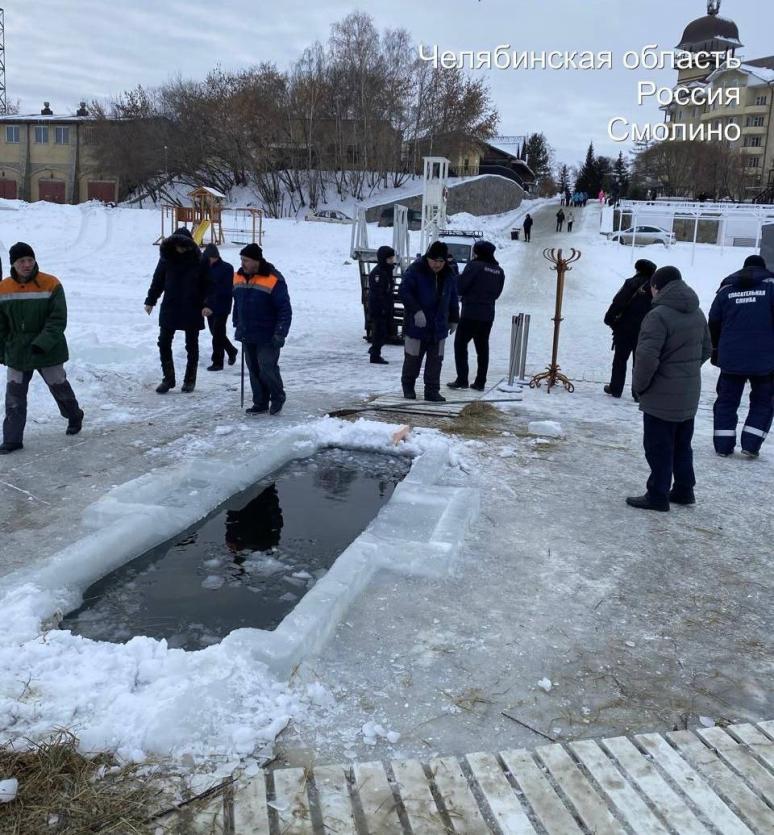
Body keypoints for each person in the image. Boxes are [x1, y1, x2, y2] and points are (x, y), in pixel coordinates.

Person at [627, 267, 711, 511]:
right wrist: (685, 372)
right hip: (688, 394)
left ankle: (657, 494)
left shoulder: (658, 315)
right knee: (682, 444)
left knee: (658, 447)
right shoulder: (697, 312)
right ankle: (685, 490)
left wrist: (640, 386)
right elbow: (707, 349)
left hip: (661, 396)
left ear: (657, 287)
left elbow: (646, 359)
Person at [0, 242, 83, 454]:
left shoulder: (51, 283)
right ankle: (12, 439)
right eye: (21, 261)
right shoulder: (4, 288)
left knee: (59, 387)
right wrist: (3, 349)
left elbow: (57, 320)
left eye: (30, 260)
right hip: (18, 352)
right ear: (14, 264)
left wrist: (41, 343)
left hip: (48, 350)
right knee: (14, 396)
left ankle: (74, 415)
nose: (27, 265)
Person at [708, 258, 774, 458]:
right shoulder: (771, 287)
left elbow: (713, 321)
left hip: (731, 357)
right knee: (763, 402)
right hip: (765, 359)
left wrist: (717, 349)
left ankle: (723, 445)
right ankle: (751, 445)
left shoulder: (727, 288)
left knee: (726, 401)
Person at [145, 228, 210, 393]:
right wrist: (151, 300)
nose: (179, 248)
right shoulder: (166, 259)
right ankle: (168, 378)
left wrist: (207, 304)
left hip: (192, 307)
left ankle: (190, 380)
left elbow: (208, 285)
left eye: (183, 245)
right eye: (177, 245)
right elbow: (158, 280)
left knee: (192, 345)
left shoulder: (199, 260)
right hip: (171, 306)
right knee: (164, 342)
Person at [232, 243, 292, 415]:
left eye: (246, 260)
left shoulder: (274, 279)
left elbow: (284, 309)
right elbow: (237, 302)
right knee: (253, 369)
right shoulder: (239, 276)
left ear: (256, 261)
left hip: (268, 334)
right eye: (242, 259)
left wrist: (280, 332)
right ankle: (260, 401)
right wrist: (237, 321)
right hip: (247, 331)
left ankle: (277, 396)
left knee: (267, 366)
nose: (242, 263)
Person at [399, 240, 459, 402]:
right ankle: (408, 386)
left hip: (438, 326)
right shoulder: (416, 270)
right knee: (412, 359)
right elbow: (404, 291)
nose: (437, 264)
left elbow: (453, 297)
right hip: (416, 326)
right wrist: (416, 310)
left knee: (435, 361)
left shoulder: (449, 274)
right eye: (434, 260)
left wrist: (454, 318)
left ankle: (432, 391)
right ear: (428, 258)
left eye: (441, 261)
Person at [447, 240, 505, 392]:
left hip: (471, 312)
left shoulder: (474, 266)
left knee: (460, 344)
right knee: (482, 348)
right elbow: (497, 293)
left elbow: (461, 287)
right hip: (488, 314)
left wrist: (457, 278)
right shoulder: (499, 270)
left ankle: (462, 379)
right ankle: (480, 382)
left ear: (477, 252)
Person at [603, 259, 657, 399]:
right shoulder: (656, 288)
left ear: (637, 270)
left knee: (620, 359)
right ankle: (638, 392)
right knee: (639, 362)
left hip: (625, 328)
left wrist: (609, 318)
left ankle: (616, 388)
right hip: (646, 329)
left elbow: (619, 301)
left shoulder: (631, 283)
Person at [201, 244, 238, 371]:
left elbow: (227, 288)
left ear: (216, 257)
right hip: (208, 305)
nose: (209, 260)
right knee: (215, 332)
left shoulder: (227, 268)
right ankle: (231, 350)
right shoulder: (203, 267)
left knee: (217, 332)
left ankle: (217, 362)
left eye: (211, 258)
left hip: (222, 305)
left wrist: (211, 292)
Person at [367, 245, 396, 365]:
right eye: (389, 258)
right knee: (380, 331)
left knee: (385, 331)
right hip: (379, 307)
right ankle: (374, 354)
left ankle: (375, 350)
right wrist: (383, 307)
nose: (392, 260)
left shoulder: (386, 270)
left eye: (392, 258)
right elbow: (378, 292)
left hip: (385, 306)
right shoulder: (378, 273)